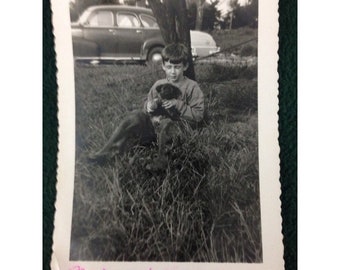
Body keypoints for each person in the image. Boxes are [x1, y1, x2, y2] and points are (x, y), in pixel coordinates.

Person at [88, 43, 204, 163]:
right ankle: (108, 152)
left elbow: (199, 116)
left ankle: (161, 160)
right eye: (169, 67)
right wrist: (149, 107)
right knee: (134, 116)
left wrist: (178, 105)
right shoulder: (158, 84)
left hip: (175, 130)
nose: (173, 72)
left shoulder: (192, 87)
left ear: (185, 66)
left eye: (177, 67)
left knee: (167, 123)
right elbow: (148, 106)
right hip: (154, 129)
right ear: (163, 66)